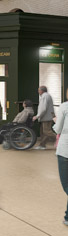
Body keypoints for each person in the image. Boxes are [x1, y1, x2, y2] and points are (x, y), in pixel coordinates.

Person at [53, 88, 68, 226]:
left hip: (65, 151)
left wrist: (56, 121)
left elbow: (58, 129)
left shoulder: (64, 106)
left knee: (66, 186)